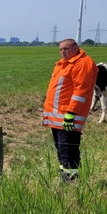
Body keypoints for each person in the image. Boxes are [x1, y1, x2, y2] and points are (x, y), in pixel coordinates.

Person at [42, 38, 98, 181]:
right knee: (61, 151)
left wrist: (71, 113)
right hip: (57, 117)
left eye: (66, 49)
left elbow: (81, 91)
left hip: (68, 117)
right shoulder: (63, 64)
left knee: (68, 151)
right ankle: (65, 179)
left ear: (76, 48)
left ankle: (72, 183)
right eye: (60, 49)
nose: (62, 52)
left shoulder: (82, 63)